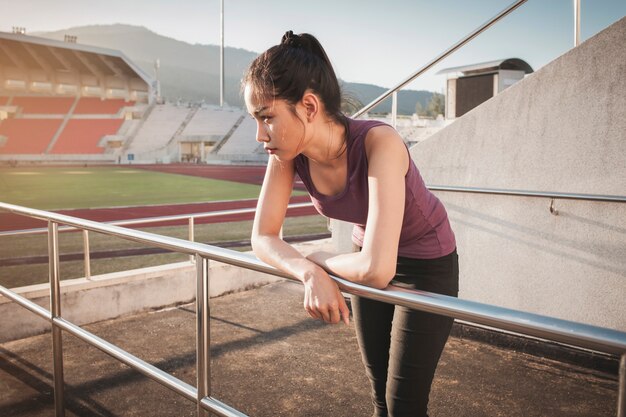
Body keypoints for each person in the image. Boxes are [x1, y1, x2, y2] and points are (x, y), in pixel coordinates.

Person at [243, 30, 459, 417]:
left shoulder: (380, 143)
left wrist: (320, 256)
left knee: (404, 407)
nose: (260, 135)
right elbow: (262, 236)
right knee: (380, 400)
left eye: (267, 118)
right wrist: (308, 272)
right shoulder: (286, 153)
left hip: (427, 262)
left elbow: (377, 270)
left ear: (308, 106)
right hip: (366, 252)